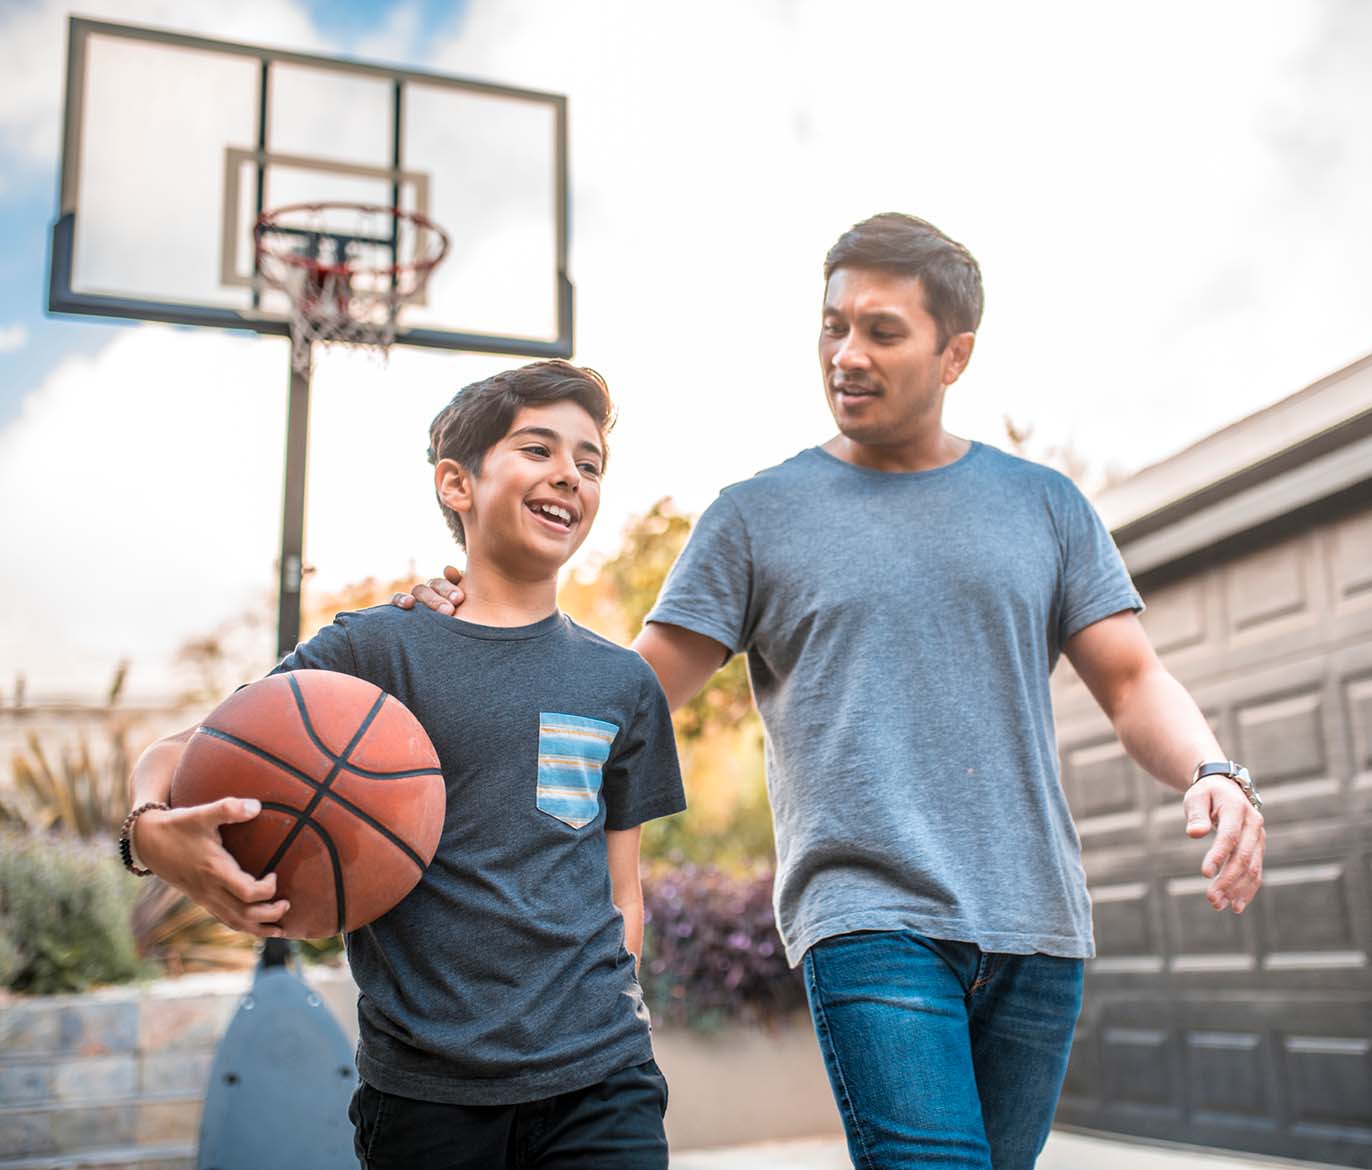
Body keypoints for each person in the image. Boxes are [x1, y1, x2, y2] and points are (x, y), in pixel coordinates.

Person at [401, 214, 1267, 1170]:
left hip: (1038, 924)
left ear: (955, 353)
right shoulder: (757, 517)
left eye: (882, 331)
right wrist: (476, 622)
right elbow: (626, 693)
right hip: (866, 918)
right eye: (832, 326)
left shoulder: (1044, 506)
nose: (845, 355)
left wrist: (1211, 769)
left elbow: (1134, 677)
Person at [123, 361, 686, 1170]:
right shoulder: (377, 647)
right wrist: (149, 829)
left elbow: (621, 885)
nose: (569, 473)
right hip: (427, 1092)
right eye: (538, 449)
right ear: (457, 483)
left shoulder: (621, 681)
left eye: (590, 463)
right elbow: (185, 751)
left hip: (602, 1079)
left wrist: (615, 1007)